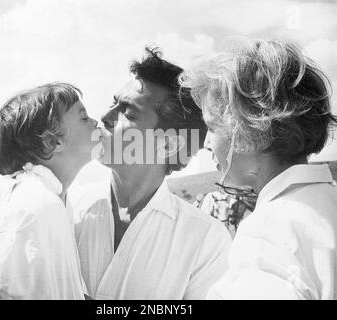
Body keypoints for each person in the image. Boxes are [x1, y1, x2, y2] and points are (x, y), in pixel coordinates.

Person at [68, 48, 231, 300]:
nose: (105, 117)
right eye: (114, 103)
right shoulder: (66, 207)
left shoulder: (206, 241)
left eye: (129, 113)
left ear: (168, 144)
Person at [180, 39, 337, 299]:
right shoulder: (327, 203)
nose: (207, 143)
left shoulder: (269, 231)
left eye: (212, 127)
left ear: (248, 131)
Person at [0, 82, 101, 299]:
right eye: (83, 117)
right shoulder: (34, 203)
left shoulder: (55, 198)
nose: (94, 121)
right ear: (52, 141)